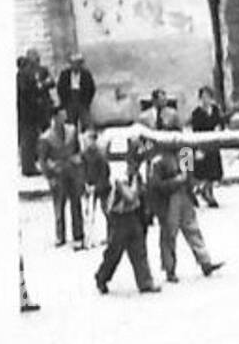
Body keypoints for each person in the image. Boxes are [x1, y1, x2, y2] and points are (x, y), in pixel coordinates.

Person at [146, 115, 224, 283]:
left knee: (192, 228)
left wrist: (192, 186)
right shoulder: (158, 159)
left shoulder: (184, 152)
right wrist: (176, 182)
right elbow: (155, 185)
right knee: (169, 235)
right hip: (168, 199)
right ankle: (170, 269)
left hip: (184, 195)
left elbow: (189, 175)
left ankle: (205, 262)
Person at [95, 140, 158, 294]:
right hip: (119, 218)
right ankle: (102, 277)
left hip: (133, 216)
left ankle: (145, 282)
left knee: (139, 250)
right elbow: (130, 196)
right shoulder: (120, 176)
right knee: (114, 253)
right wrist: (137, 184)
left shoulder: (137, 176)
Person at [37, 105, 85, 248]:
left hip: (72, 172)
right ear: (54, 117)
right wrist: (50, 176)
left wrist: (79, 165)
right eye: (61, 115)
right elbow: (43, 161)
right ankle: (60, 236)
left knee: (76, 205)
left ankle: (78, 234)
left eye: (64, 115)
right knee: (59, 206)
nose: (64, 118)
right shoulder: (46, 138)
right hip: (58, 175)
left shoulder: (72, 131)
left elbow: (78, 150)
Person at [189, 87, 225, 208]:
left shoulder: (215, 110)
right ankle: (203, 192)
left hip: (213, 144)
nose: (206, 100)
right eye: (203, 97)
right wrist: (198, 148)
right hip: (203, 144)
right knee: (204, 171)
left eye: (208, 97)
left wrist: (219, 127)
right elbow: (195, 130)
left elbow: (220, 122)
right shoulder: (196, 113)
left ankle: (209, 193)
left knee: (213, 172)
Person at [80, 127, 112, 250]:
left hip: (102, 187)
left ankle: (109, 236)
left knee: (105, 212)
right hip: (88, 187)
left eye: (89, 140)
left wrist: (97, 187)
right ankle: (88, 238)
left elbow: (105, 174)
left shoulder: (100, 156)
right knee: (88, 213)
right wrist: (85, 185)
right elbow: (81, 171)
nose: (87, 143)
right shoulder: (84, 155)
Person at [57, 52, 97, 129]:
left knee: (86, 123)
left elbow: (92, 88)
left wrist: (87, 101)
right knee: (71, 125)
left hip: (82, 101)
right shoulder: (65, 74)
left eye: (77, 64)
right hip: (70, 100)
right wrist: (64, 102)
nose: (75, 66)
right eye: (73, 63)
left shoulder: (86, 74)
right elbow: (60, 88)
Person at [17, 56, 41, 176]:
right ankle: (28, 167)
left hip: (30, 114)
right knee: (28, 141)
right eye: (29, 66)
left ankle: (30, 165)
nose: (31, 69)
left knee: (31, 140)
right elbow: (28, 95)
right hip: (27, 115)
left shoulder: (25, 78)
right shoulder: (22, 78)